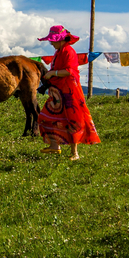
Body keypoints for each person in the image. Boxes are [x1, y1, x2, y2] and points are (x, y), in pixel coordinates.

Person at [37, 25, 100, 160]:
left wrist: (53, 73)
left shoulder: (68, 52)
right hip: (57, 91)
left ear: (60, 39)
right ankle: (54, 146)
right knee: (46, 117)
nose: (51, 43)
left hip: (70, 92)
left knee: (72, 120)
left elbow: (70, 71)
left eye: (52, 41)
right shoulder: (59, 51)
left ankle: (75, 153)